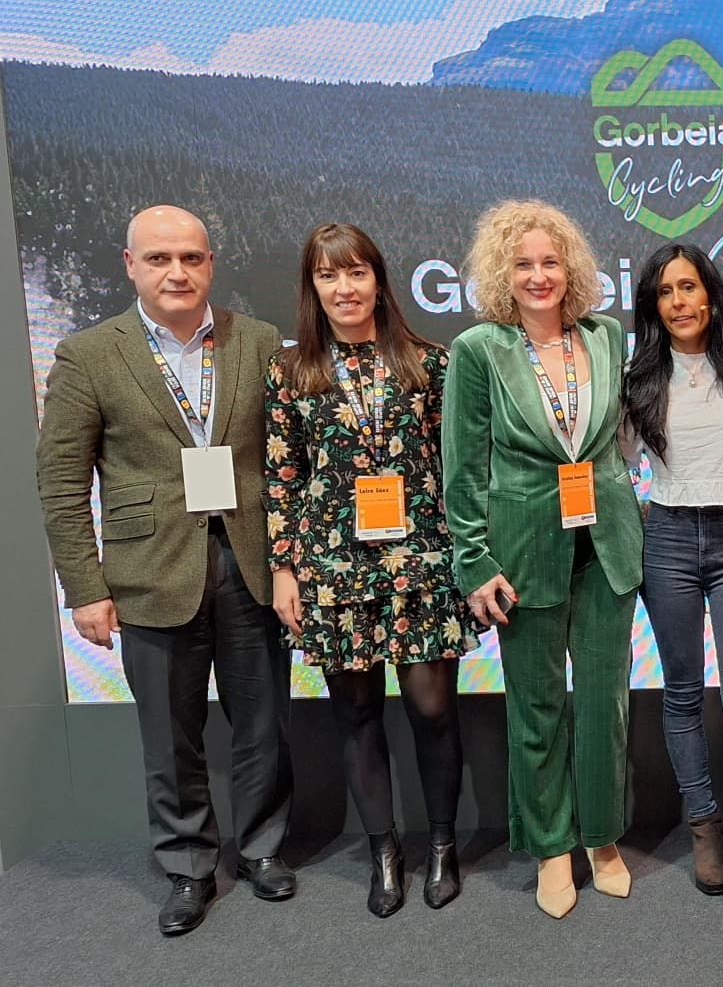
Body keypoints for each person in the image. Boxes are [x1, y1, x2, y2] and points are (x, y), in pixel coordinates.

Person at [35, 205, 294, 935]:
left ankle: (263, 850)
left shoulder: (259, 341)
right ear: (130, 265)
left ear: (211, 263)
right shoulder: (87, 354)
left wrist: (289, 564)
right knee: (170, 735)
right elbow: (60, 483)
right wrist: (84, 588)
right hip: (148, 573)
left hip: (251, 563)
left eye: (190, 257)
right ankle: (187, 869)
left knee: (264, 723)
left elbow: (284, 465)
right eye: (158, 259)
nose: (176, 272)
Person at [265, 223, 476, 917]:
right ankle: (384, 853)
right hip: (332, 568)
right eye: (329, 276)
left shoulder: (430, 363)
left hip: (421, 563)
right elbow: (283, 478)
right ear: (313, 287)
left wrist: (467, 560)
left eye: (356, 272)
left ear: (379, 281)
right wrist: (285, 569)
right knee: (354, 715)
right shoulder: (291, 371)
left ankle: (442, 843)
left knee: (432, 710)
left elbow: (460, 472)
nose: (344, 287)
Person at [442, 200, 643, 919]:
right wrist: (472, 561)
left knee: (605, 704)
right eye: (523, 264)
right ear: (503, 272)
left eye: (550, 262)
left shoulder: (607, 337)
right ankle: (552, 846)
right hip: (521, 552)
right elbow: (462, 471)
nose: (538, 276)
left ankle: (603, 837)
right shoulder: (478, 351)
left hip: (608, 546)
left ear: (572, 269)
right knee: (535, 708)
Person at [621, 243, 723, 929]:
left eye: (689, 287)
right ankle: (703, 829)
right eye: (665, 292)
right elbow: (620, 461)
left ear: (711, 294)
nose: (680, 301)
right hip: (668, 541)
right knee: (682, 693)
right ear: (652, 306)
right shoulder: (635, 379)